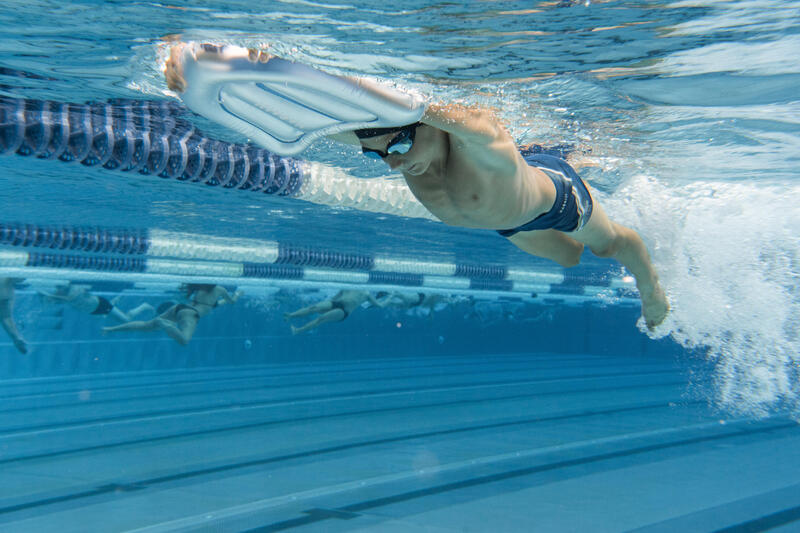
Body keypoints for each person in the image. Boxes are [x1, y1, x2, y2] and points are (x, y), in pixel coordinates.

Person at [165, 45, 669, 329]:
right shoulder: (396, 144)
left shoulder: (480, 142)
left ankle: (651, 284)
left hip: (556, 198)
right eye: (376, 154)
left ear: (427, 127)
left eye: (399, 147)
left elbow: (473, 118)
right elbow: (306, 113)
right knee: (568, 259)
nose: (390, 164)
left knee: (608, 246)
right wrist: (227, 74)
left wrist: (417, 107)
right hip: (506, 222)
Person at [103, 284, 242, 345]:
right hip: (191, 315)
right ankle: (165, 324)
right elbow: (232, 301)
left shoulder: (200, 289)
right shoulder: (220, 290)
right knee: (184, 340)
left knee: (146, 326)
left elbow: (218, 303)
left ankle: (110, 329)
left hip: (178, 308)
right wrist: (237, 294)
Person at [39, 282, 155, 323]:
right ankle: (115, 300)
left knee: (126, 320)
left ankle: (144, 306)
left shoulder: (75, 288)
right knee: (106, 315)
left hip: (101, 305)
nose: (58, 289)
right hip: (94, 310)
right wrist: (48, 297)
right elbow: (56, 300)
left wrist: (49, 295)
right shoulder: (61, 295)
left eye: (60, 287)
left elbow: (69, 299)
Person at [284, 289, 386, 335]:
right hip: (335, 303)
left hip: (343, 311)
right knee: (313, 308)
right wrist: (326, 306)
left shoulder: (366, 294)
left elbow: (380, 305)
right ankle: (291, 315)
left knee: (321, 319)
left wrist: (390, 298)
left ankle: (298, 330)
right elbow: (334, 298)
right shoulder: (347, 286)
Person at [0, 278, 28, 354]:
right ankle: (16, 337)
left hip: (4, 291)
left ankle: (16, 337)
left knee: (6, 318)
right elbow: (20, 279)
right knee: (6, 318)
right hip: (5, 292)